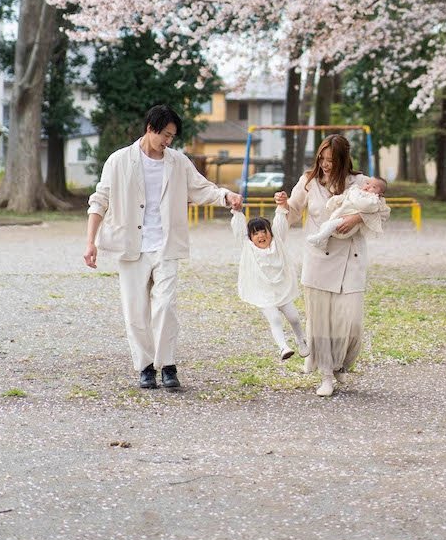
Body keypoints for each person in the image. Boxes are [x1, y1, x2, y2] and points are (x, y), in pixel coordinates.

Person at [83, 103, 242, 390]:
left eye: (172, 137)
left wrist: (225, 196)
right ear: (150, 128)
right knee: (135, 311)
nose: (168, 142)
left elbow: (201, 188)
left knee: (166, 306)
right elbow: (99, 201)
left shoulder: (177, 162)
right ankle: (145, 366)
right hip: (130, 245)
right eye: (165, 135)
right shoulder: (118, 161)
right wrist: (90, 242)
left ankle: (167, 364)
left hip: (166, 245)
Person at [275, 132, 388, 397]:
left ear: (343, 159)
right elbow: (292, 213)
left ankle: (340, 364)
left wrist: (358, 218)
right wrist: (282, 205)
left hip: (351, 259)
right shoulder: (308, 181)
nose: (326, 164)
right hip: (318, 259)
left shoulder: (360, 182)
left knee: (351, 322)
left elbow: (382, 209)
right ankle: (326, 374)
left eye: (332, 160)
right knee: (320, 322)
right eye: (322, 159)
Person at [230, 210, 308, 360]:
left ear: (270, 233)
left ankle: (301, 340)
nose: (261, 236)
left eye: (263, 231)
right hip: (263, 293)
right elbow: (239, 230)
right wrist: (237, 212)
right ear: (250, 238)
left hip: (281, 290)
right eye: (255, 233)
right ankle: (283, 347)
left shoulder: (277, 244)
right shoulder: (248, 248)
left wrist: (280, 209)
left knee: (294, 317)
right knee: (275, 319)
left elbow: (280, 225)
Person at [306, 177, 389, 248]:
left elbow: (364, 205)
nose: (368, 187)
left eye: (373, 187)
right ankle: (322, 242)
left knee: (330, 225)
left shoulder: (373, 200)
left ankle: (319, 238)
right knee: (325, 225)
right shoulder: (358, 191)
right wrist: (335, 200)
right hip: (340, 215)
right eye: (367, 183)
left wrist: (358, 217)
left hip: (346, 222)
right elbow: (345, 197)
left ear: (380, 193)